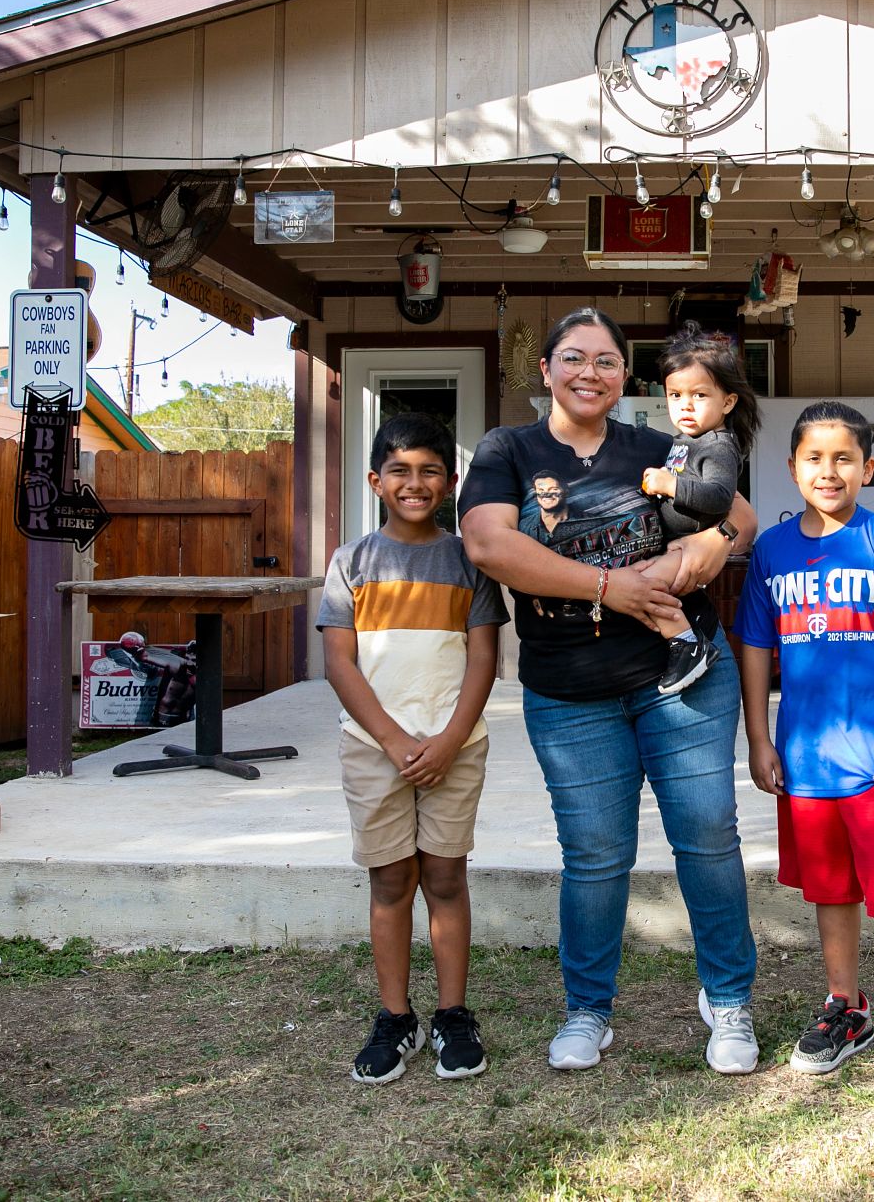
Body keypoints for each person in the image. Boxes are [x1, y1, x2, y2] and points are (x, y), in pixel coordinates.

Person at [460, 307, 761, 1076]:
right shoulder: (507, 450)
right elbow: (489, 542)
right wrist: (608, 586)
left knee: (708, 833)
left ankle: (729, 1000)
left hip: (682, 675)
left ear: (624, 377)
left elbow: (741, 515)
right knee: (594, 852)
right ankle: (588, 1010)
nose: (588, 372)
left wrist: (709, 544)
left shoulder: (658, 446)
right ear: (546, 369)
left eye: (605, 360)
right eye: (573, 357)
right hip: (570, 689)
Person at [734, 401, 874, 1094]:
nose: (828, 471)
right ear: (792, 467)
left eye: (844, 459)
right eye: (814, 458)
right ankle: (847, 1007)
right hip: (805, 759)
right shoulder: (773, 550)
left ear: (868, 468)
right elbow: (756, 645)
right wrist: (758, 736)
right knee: (831, 888)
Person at [318, 412, 508, 1085]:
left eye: (429, 470)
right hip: (374, 750)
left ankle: (453, 1014)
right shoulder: (351, 562)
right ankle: (396, 1017)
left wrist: (449, 739)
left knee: (446, 877)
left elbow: (483, 658)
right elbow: (339, 663)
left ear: (450, 482)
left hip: (456, 746)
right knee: (392, 879)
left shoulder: (468, 559)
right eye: (399, 470)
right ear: (376, 481)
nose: (414, 483)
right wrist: (394, 740)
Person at [636, 322, 761, 694]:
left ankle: (689, 646)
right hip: (672, 544)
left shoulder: (718, 444)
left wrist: (669, 485)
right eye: (675, 395)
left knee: (643, 588)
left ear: (728, 402)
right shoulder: (685, 440)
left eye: (700, 395)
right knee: (640, 585)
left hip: (689, 547)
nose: (685, 405)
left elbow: (720, 496)